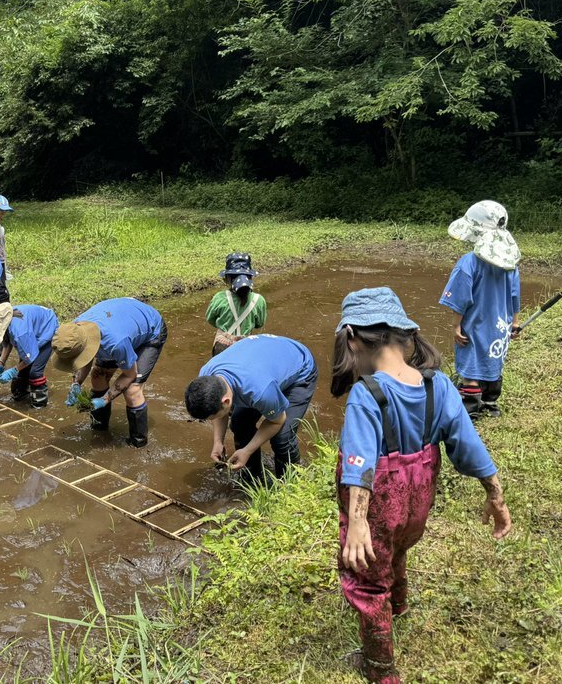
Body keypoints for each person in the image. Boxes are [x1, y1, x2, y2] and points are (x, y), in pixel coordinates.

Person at [333, 287, 511, 684]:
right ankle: (398, 606)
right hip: (417, 504)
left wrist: (358, 522)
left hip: (379, 508)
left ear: (352, 338)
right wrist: (495, 494)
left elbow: (359, 462)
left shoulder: (366, 394)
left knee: (367, 579)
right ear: (404, 336)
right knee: (397, 550)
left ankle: (380, 668)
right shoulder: (438, 385)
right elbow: (468, 445)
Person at [183, 334, 316, 482]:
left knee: (282, 437)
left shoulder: (259, 391)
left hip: (299, 367)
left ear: (226, 401)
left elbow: (277, 421)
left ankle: (290, 485)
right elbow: (219, 411)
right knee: (239, 423)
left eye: (214, 416)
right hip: (265, 359)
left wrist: (247, 450)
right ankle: (252, 480)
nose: (215, 419)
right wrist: (218, 441)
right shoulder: (206, 377)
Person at [439, 200, 522, 417]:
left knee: (470, 366)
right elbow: (515, 294)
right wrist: (515, 322)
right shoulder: (510, 264)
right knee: (494, 360)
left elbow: (461, 298)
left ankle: (471, 406)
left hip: (474, 325)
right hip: (500, 325)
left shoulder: (469, 262)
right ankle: (490, 403)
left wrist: (456, 325)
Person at [54, 297, 167, 447]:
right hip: (122, 323)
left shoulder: (115, 343)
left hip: (150, 331)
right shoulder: (73, 332)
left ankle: (138, 444)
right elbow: (83, 360)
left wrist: (104, 400)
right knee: (97, 377)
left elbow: (129, 375)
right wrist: (76, 383)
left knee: (132, 390)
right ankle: (99, 430)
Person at [0, 302, 58, 408]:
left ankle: (39, 405)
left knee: (35, 372)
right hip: (29, 329)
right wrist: (0, 364)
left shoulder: (20, 333)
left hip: (46, 328)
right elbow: (7, 343)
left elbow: (30, 356)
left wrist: (13, 371)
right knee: (23, 370)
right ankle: (22, 395)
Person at [205, 252, 268, 355]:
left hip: (222, 346)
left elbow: (210, 319)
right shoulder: (259, 300)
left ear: (227, 279)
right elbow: (259, 323)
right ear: (250, 278)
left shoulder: (219, 298)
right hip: (245, 346)